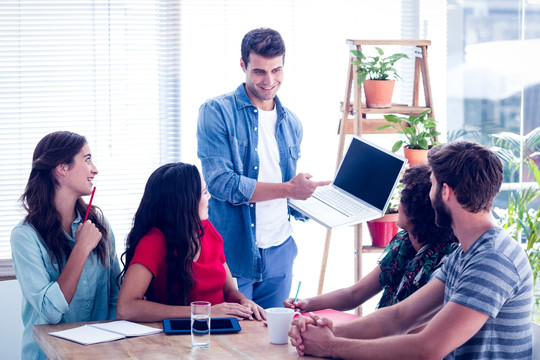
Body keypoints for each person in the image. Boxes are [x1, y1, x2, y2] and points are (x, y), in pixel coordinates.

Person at [289, 140, 533, 360]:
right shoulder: (466, 253)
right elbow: (400, 317)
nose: (430, 193)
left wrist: (331, 346)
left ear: (445, 192)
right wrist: (326, 329)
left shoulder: (493, 259)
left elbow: (427, 349)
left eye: (433, 185)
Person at [196, 27, 330, 309]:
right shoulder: (216, 112)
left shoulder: (291, 122)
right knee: (232, 345)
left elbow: (284, 191)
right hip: (234, 253)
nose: (269, 80)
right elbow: (222, 184)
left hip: (280, 251)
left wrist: (313, 200)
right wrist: (289, 189)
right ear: (243, 65)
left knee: (274, 344)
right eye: (259, 71)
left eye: (276, 70)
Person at [284, 164, 458, 313]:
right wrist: (306, 304)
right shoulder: (404, 243)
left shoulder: (442, 264)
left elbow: (406, 327)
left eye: (404, 197)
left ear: (419, 211)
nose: (398, 204)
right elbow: (355, 294)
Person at [11, 131, 120, 360]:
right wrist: (81, 249)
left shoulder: (99, 225)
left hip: (98, 354)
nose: (95, 169)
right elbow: (50, 311)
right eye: (87, 159)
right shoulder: (24, 237)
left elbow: (115, 295)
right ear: (62, 168)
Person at [116, 162, 265, 322]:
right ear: (185, 202)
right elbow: (126, 309)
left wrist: (243, 301)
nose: (209, 198)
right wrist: (202, 312)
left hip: (220, 330)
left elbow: (228, 290)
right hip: (179, 337)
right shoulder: (153, 242)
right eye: (204, 193)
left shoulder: (207, 229)